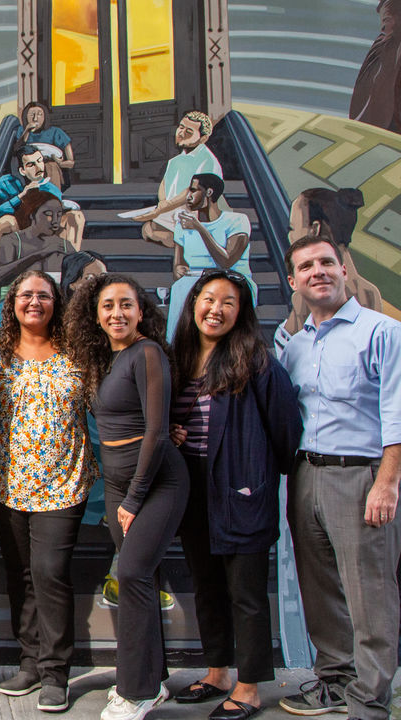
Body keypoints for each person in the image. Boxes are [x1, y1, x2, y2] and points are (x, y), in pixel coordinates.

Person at [276, 235, 401, 720]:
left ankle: (369, 703)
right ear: (294, 281)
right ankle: (335, 684)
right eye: (306, 266)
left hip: (363, 478)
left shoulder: (384, 333)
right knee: (320, 590)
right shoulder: (296, 346)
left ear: (344, 270)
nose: (317, 271)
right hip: (306, 475)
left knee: (370, 595)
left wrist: (387, 483)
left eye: (326, 262)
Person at [169, 270, 302, 720]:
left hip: (241, 490)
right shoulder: (179, 358)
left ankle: (249, 688)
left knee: (246, 593)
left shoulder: (256, 361)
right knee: (206, 586)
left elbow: (286, 430)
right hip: (193, 492)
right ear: (193, 304)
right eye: (209, 299)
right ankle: (218, 672)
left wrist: (255, 474)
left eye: (229, 302)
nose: (216, 309)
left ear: (241, 312)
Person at [66, 273, 189, 720]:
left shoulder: (147, 352)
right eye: (108, 306)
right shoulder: (105, 358)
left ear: (141, 311)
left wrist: (133, 499)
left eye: (126, 304)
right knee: (141, 581)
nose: (117, 313)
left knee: (133, 575)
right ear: (95, 315)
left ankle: (135, 692)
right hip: (119, 483)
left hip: (156, 483)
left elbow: (156, 431)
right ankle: (153, 681)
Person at [0, 270, 97, 714]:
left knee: (50, 572)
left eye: (43, 295)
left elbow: (108, 404)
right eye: (26, 295)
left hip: (63, 483)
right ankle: (29, 661)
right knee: (21, 574)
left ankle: (55, 673)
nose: (34, 302)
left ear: (56, 302)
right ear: (12, 304)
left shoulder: (76, 353)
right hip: (5, 483)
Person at [279, 188, 383, 340]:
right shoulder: (370, 293)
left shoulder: (309, 295)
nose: (290, 236)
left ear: (314, 229)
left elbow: (292, 347)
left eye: (292, 228)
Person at [166, 173, 253, 341]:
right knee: (180, 286)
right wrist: (180, 270)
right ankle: (179, 344)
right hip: (195, 282)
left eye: (194, 190)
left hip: (233, 281)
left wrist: (200, 228)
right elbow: (177, 268)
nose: (188, 196)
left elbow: (227, 262)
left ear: (209, 192)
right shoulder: (183, 225)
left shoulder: (237, 221)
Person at [135, 111, 222, 248]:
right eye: (181, 127)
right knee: (148, 229)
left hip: (193, 211)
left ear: (203, 138)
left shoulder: (207, 160)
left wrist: (164, 207)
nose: (181, 133)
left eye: (189, 132)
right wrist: (163, 203)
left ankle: (177, 240)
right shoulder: (174, 161)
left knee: (153, 231)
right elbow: (164, 184)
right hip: (170, 211)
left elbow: (194, 191)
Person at [0, 145, 84, 246]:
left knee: (76, 216)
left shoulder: (50, 188)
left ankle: (70, 255)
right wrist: (21, 197)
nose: (38, 168)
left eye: (40, 161)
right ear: (22, 170)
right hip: (20, 229)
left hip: (44, 231)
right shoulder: (5, 183)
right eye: (31, 165)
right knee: (5, 222)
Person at [0, 190, 79, 290]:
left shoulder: (65, 246)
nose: (55, 221)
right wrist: (38, 255)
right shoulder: (11, 242)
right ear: (32, 214)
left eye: (59, 215)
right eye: (48, 214)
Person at [17, 101, 75, 189]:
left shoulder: (55, 132)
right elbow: (16, 149)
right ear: (26, 117)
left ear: (45, 117)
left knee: (50, 166)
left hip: (50, 166)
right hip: (28, 168)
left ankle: (52, 194)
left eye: (40, 115)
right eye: (32, 115)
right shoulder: (22, 131)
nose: (35, 119)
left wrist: (60, 162)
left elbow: (71, 163)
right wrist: (27, 131)